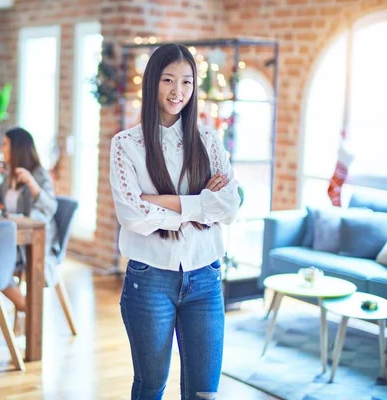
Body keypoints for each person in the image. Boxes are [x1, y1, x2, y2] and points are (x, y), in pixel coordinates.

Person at [109, 44, 241, 400]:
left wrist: (166, 203)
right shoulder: (126, 145)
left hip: (206, 278)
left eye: (186, 81)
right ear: (152, 83)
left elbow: (229, 208)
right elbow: (133, 215)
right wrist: (202, 205)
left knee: (204, 392)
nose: (177, 91)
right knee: (151, 386)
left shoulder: (209, 141)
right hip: (150, 280)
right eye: (168, 79)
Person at [0, 127, 60, 312]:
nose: (1, 149)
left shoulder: (39, 174)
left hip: (31, 243)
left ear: (17, 148)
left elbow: (50, 208)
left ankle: (25, 306)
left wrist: (32, 184)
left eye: (5, 144)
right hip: (8, 237)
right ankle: (25, 305)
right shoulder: (9, 174)